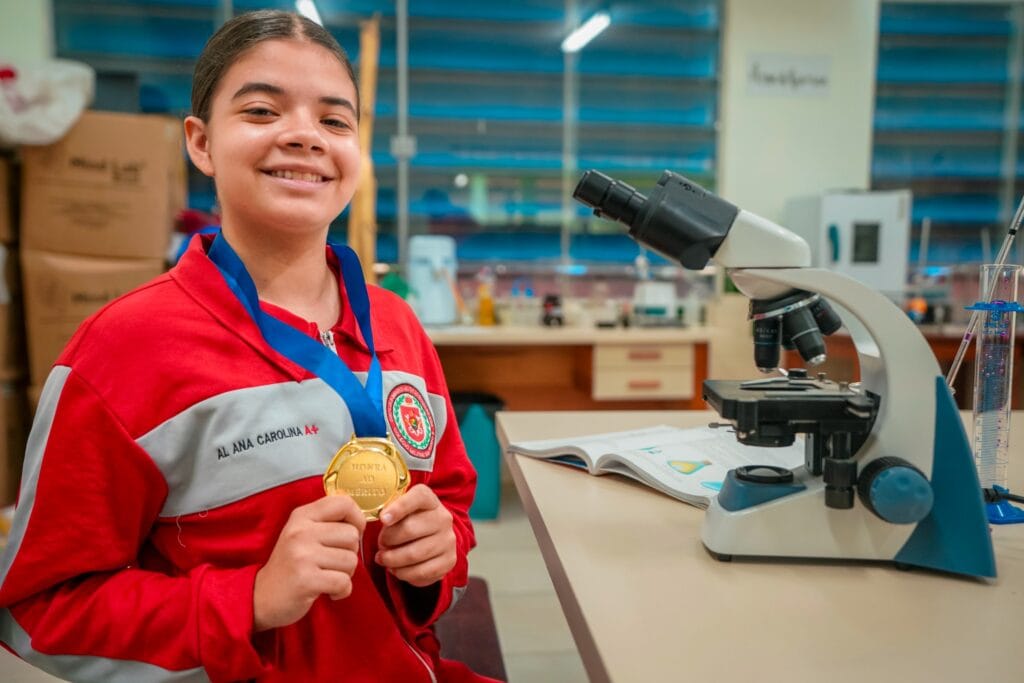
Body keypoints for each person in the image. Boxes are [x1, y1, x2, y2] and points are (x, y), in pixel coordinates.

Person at [0, 10, 499, 683]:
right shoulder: (120, 353)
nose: (303, 136)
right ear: (201, 143)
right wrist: (251, 599)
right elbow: (39, 612)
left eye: (334, 120)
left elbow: (453, 503)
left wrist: (439, 552)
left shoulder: (396, 324)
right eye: (263, 110)